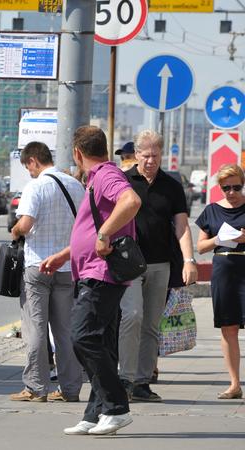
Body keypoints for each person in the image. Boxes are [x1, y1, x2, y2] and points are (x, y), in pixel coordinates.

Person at [40, 125, 141, 436]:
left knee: (82, 336)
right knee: (102, 344)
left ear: (77, 153)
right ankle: (96, 413)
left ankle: (117, 407)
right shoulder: (97, 179)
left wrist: (104, 233)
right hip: (92, 270)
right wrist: (65, 254)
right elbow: (90, 228)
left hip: (102, 273)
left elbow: (131, 201)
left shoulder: (106, 176)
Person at [117, 130, 198, 403]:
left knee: (151, 325)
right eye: (145, 155)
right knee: (131, 317)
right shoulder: (124, 182)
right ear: (136, 154)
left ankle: (142, 382)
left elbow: (182, 227)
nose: (150, 160)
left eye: (155, 155)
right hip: (129, 264)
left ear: (161, 154)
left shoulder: (171, 186)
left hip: (161, 264)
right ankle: (124, 379)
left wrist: (189, 260)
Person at [9, 141, 85, 403]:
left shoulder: (36, 186)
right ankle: (71, 388)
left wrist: (16, 230)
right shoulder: (76, 186)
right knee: (65, 330)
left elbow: (26, 223)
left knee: (36, 328)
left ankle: (35, 387)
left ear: (33, 161)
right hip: (67, 266)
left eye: (27, 167)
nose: (29, 172)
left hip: (38, 266)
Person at [195, 164, 245, 400]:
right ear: (220, 187)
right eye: (227, 188)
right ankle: (234, 383)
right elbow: (201, 246)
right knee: (228, 327)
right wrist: (219, 238)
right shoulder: (212, 211)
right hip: (224, 270)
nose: (232, 192)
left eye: (237, 187)